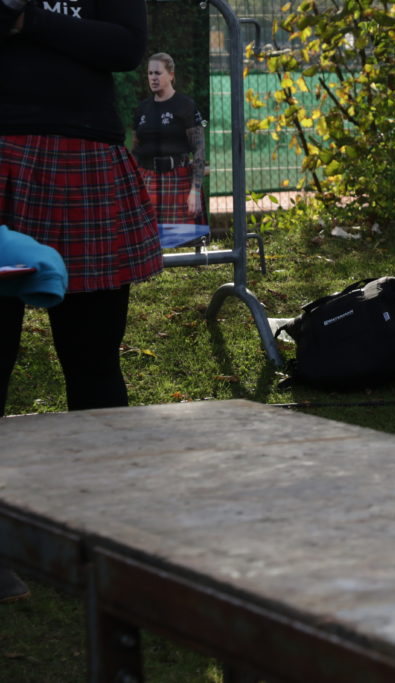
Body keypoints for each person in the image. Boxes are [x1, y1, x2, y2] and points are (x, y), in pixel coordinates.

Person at [0, 0, 162, 598]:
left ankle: (107, 534)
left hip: (85, 157)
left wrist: (27, 21)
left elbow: (124, 48)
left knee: (94, 359)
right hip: (1, 148)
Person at [132, 52, 207, 227]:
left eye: (158, 73)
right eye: (150, 73)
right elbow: (135, 150)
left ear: (171, 75)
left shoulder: (186, 105)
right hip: (147, 180)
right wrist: (133, 186)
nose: (153, 78)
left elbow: (199, 149)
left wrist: (195, 190)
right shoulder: (142, 109)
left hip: (178, 179)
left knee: (183, 237)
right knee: (148, 235)